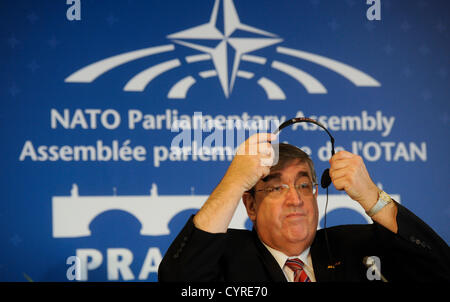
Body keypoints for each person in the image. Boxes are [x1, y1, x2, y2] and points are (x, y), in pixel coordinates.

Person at [158, 133, 450, 282]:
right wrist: (234, 182)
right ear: (251, 206)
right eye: (276, 187)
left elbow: (440, 270)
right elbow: (179, 279)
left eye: (303, 185)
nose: (295, 199)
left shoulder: (355, 247)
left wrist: (373, 197)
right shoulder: (227, 256)